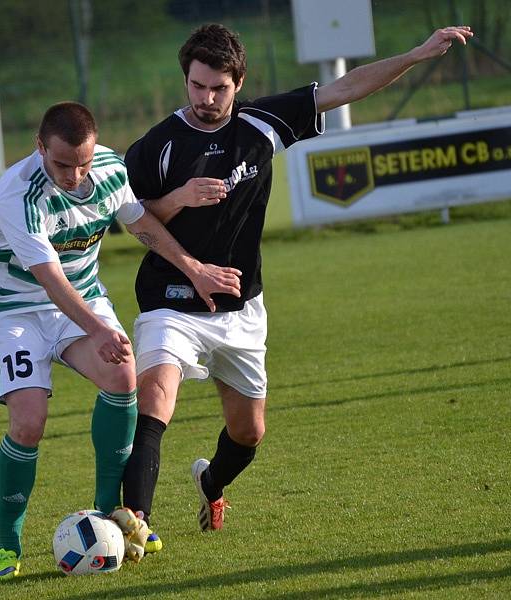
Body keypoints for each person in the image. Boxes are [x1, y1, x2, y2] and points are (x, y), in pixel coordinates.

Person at [121, 24, 473, 535]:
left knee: (249, 433)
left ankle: (212, 485)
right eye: (197, 86)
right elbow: (134, 218)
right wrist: (180, 208)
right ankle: (136, 524)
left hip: (241, 307)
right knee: (155, 397)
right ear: (187, 81)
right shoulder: (158, 145)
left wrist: (417, 54)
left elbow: (347, 87)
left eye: (219, 87)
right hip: (171, 296)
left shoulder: (262, 124)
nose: (207, 98)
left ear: (238, 83)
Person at [0, 101, 241, 582]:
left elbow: (142, 225)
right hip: (13, 308)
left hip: (82, 298)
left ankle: (109, 514)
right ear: (39, 148)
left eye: (83, 163)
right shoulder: (16, 194)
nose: (74, 176)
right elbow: (49, 278)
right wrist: (98, 329)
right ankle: (7, 547)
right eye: (62, 164)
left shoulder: (111, 169)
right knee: (29, 423)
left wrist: (194, 269)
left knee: (121, 377)